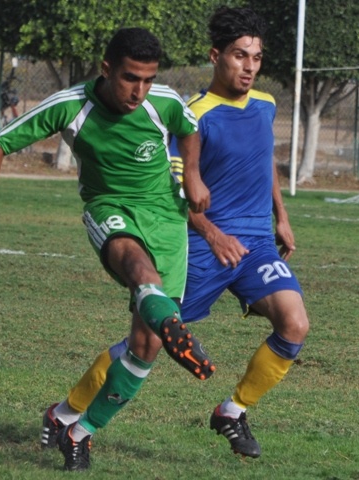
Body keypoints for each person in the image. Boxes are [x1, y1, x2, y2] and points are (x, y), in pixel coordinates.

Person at [40, 6, 310, 467]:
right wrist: (210, 231)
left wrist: (280, 215)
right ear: (215, 57)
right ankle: (67, 412)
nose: (249, 66)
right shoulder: (191, 115)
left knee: (295, 324)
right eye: (240, 56)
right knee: (146, 342)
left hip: (256, 243)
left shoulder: (266, 105)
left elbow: (264, 160)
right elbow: (172, 187)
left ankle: (233, 410)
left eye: (256, 57)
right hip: (202, 247)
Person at [0, 27, 216, 471]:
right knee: (138, 269)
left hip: (167, 218)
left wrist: (191, 174)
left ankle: (79, 432)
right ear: (106, 69)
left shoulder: (165, 101)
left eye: (148, 80)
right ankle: (178, 334)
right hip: (108, 208)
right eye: (130, 78)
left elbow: (188, 129)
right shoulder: (70, 105)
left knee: (145, 346)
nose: (139, 91)